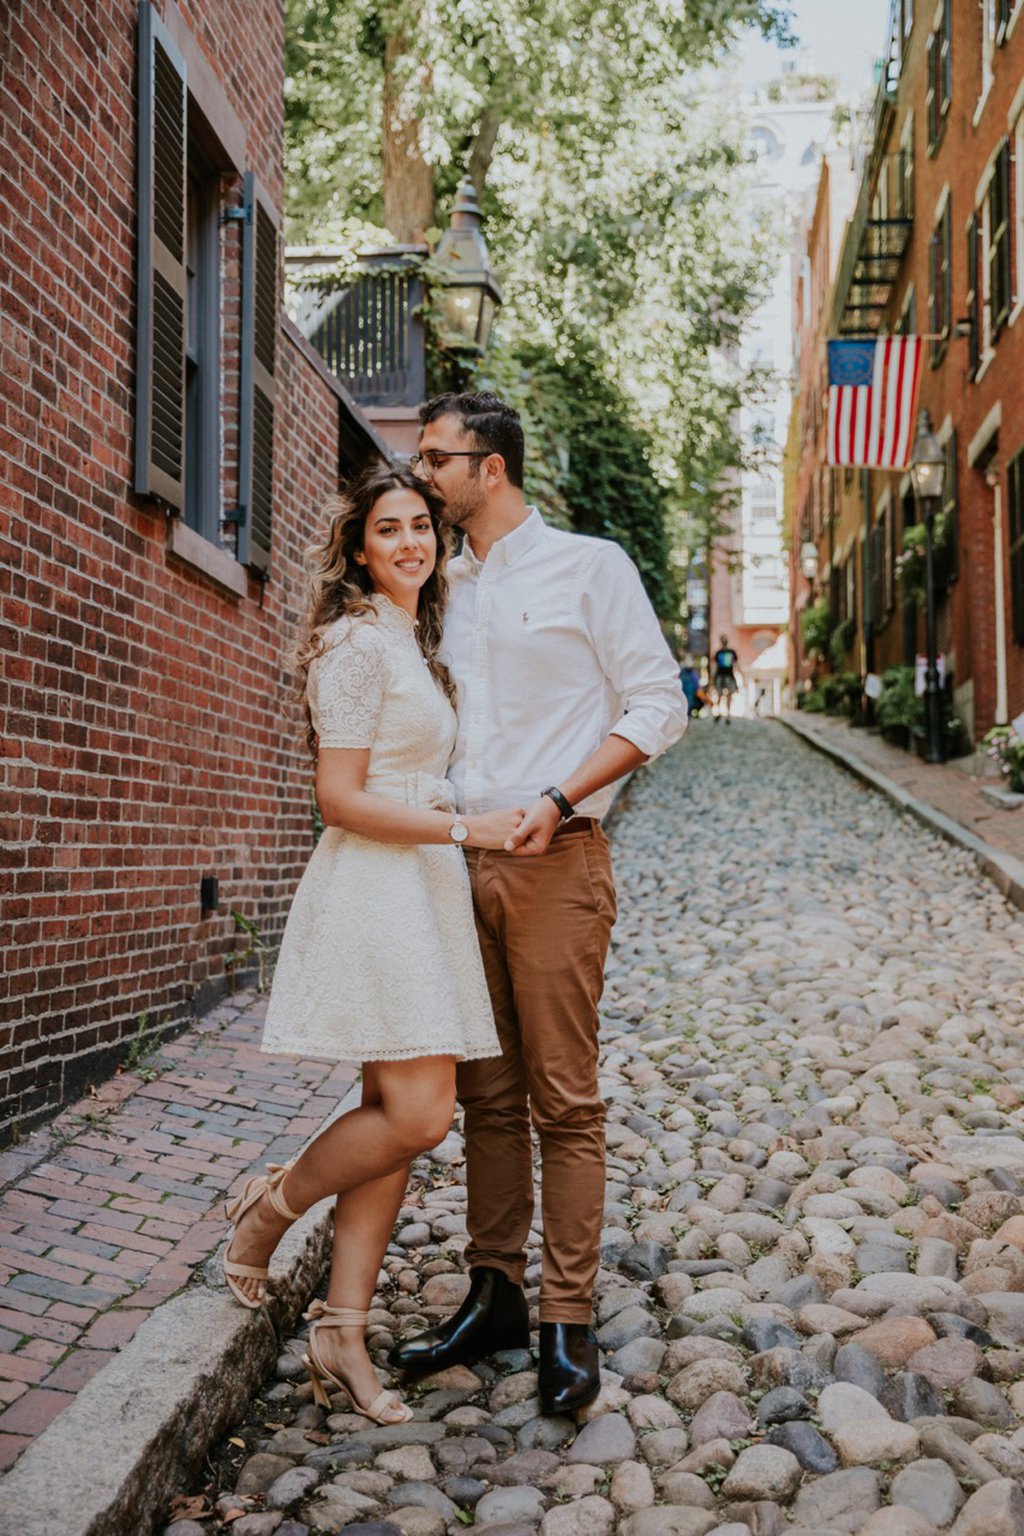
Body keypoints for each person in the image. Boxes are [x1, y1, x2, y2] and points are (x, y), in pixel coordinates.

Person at [388, 392, 689, 1414]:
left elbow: (659, 702)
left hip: (557, 858)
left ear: (491, 469)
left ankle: (566, 1317)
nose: (422, 473)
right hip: (453, 863)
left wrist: (558, 798)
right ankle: (495, 1295)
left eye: (437, 458)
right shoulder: (438, 583)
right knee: (486, 1096)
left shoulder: (590, 568)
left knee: (564, 1099)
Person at [222, 464, 523, 1426]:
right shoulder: (354, 643)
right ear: (358, 549)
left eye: (421, 527)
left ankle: (342, 1331)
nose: (410, 542)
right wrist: (465, 828)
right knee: (422, 1116)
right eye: (388, 529)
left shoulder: (408, 637)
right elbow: (340, 798)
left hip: (420, 888)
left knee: (391, 1113)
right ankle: (270, 1210)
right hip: (378, 891)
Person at [712, 634, 739, 722]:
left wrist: (713, 678)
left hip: (724, 676)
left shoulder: (720, 652)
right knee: (725, 696)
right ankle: (725, 714)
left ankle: (724, 714)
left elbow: (715, 667)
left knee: (723, 696)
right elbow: (736, 665)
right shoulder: (727, 652)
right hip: (726, 676)